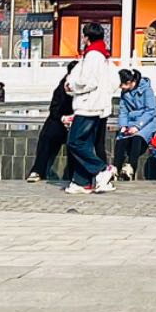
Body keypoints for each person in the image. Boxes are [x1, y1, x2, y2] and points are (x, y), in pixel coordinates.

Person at [62, 23, 117, 195]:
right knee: (85, 143)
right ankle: (81, 181)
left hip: (88, 105)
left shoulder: (93, 55)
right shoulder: (104, 56)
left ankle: (102, 169)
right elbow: (115, 81)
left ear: (87, 37)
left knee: (75, 142)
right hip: (98, 105)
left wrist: (72, 86)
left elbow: (88, 81)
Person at [27, 58, 79, 183]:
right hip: (59, 121)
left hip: (77, 120)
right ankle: (38, 170)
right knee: (48, 136)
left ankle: (75, 175)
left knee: (77, 142)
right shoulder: (61, 88)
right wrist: (63, 118)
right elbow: (54, 109)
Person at [113, 67, 156, 181]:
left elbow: (150, 111)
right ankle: (116, 167)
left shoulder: (146, 90)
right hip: (131, 120)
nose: (120, 87)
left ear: (129, 82)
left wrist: (137, 126)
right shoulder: (125, 93)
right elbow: (123, 111)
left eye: (121, 84)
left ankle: (130, 168)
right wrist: (123, 126)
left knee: (137, 137)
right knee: (121, 138)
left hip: (146, 121)